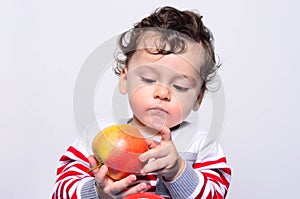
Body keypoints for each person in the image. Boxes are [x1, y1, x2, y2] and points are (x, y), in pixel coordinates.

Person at [52, 6, 231, 199]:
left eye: (179, 86)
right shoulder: (97, 134)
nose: (162, 93)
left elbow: (216, 195)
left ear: (198, 98)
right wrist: (98, 192)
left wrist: (178, 171)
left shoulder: (201, 145)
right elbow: (60, 191)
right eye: (148, 79)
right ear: (125, 80)